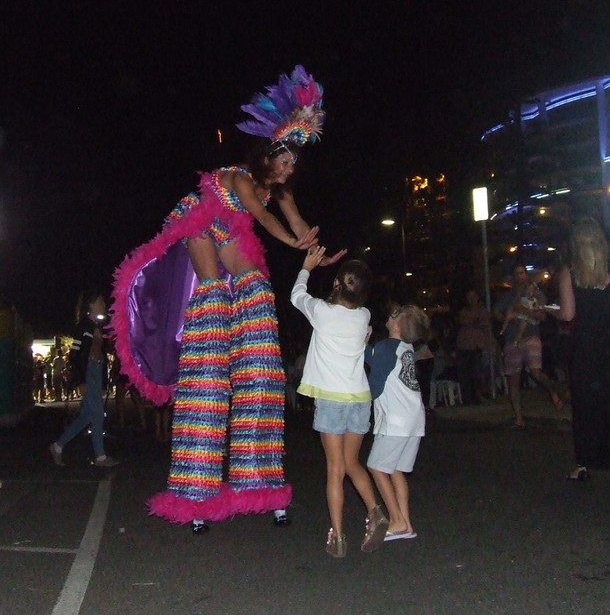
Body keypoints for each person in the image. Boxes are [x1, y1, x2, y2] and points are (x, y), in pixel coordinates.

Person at [111, 65, 345, 533]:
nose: (287, 169)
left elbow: (295, 222)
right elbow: (262, 217)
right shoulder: (241, 179)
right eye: (283, 161)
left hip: (233, 232)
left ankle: (259, 483)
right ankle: (193, 491)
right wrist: (292, 243)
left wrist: (315, 250)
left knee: (260, 359)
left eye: (293, 165)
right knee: (212, 338)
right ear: (268, 155)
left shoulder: (279, 187)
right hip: (201, 218)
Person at [291, 245, 388, 558]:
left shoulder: (322, 312)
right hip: (359, 399)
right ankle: (375, 512)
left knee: (334, 469)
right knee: (352, 463)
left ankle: (339, 537)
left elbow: (296, 295)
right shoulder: (364, 316)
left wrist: (307, 266)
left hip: (332, 402)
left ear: (337, 283)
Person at [366, 304, 428, 541]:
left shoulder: (386, 348)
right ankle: (406, 522)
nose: (390, 316)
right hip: (414, 418)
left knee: (377, 467)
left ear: (398, 325)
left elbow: (375, 384)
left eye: (395, 315)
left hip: (395, 420)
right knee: (397, 471)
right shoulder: (405, 349)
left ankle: (397, 521)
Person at [556, 217, 610, 480]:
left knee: (585, 404)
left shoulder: (570, 272)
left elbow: (567, 314)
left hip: (585, 347)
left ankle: (585, 462)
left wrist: (549, 311)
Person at [49, 291, 120, 468]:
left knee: (86, 416)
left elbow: (102, 357)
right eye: (100, 301)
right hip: (87, 371)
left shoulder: (99, 328)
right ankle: (100, 456)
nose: (103, 304)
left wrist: (103, 382)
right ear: (91, 305)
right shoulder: (83, 327)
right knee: (96, 414)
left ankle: (58, 446)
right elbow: (75, 355)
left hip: (96, 372)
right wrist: (80, 380)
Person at [494, 264, 563, 427]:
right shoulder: (508, 296)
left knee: (535, 372)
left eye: (522, 273)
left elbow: (542, 315)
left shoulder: (537, 294)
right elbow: (496, 312)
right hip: (512, 339)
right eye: (516, 274)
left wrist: (523, 312)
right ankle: (519, 418)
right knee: (514, 378)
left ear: (526, 275)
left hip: (531, 336)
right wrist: (507, 316)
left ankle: (552, 391)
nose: (519, 277)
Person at [456, 289, 491, 404]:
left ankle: (480, 395)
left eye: (473, 296)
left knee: (477, 371)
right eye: (469, 297)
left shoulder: (482, 310)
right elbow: (462, 320)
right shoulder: (464, 311)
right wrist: (472, 321)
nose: (471, 300)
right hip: (464, 346)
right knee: (464, 372)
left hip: (477, 346)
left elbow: (482, 322)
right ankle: (467, 398)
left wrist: (472, 322)